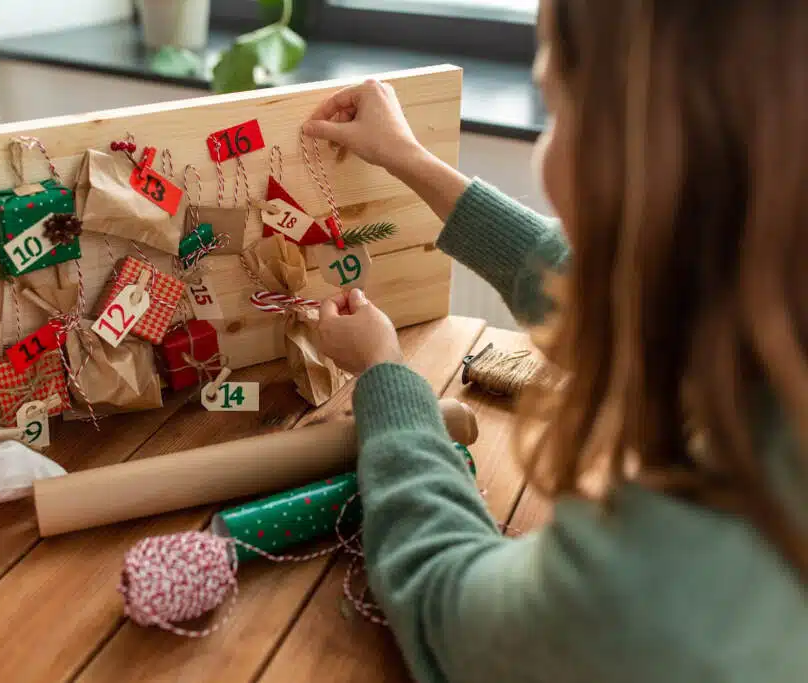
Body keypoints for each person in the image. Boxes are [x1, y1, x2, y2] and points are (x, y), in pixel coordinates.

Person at [304, 1, 807, 681]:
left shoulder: (651, 584)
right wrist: (411, 161)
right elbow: (628, 309)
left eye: (557, 109)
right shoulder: (773, 303)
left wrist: (386, 376)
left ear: (641, 149)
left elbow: (445, 599)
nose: (548, 156)